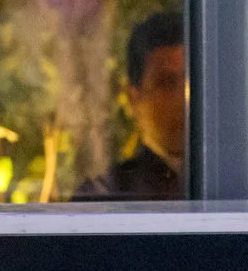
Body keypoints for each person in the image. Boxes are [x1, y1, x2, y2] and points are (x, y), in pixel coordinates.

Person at [77, 12, 186, 200]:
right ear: (134, 98)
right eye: (167, 83)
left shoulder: (236, 184)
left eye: (193, 82)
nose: (183, 97)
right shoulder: (107, 196)